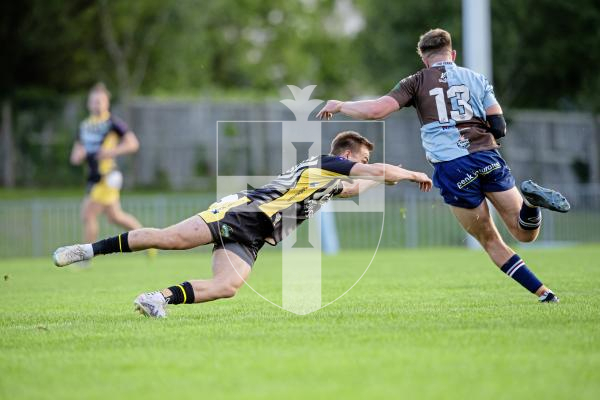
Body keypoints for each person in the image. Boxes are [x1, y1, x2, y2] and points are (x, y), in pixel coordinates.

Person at [53, 131, 433, 317]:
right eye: (363, 157)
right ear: (348, 154)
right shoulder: (325, 164)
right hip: (242, 213)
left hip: (256, 234)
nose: (367, 162)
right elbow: (374, 171)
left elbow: (360, 186)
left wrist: (393, 178)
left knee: (227, 287)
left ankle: (156, 299)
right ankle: (86, 249)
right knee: (171, 239)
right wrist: (413, 172)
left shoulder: (331, 185)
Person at [317, 28, 570, 303]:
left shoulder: (415, 81)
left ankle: (545, 294)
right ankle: (531, 204)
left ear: (424, 59)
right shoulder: (476, 78)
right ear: (453, 54)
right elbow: (499, 126)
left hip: (453, 168)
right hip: (487, 155)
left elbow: (377, 110)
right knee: (524, 233)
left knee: (490, 240)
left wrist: (341, 104)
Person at [69, 83, 146, 262]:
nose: (97, 105)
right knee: (115, 217)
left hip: (108, 176)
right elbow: (75, 156)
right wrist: (78, 156)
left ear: (107, 103)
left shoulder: (112, 123)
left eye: (100, 101)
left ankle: (84, 259)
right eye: (94, 101)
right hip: (94, 177)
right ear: (89, 104)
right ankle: (147, 241)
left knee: (87, 214)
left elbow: (133, 144)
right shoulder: (85, 126)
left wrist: (112, 152)